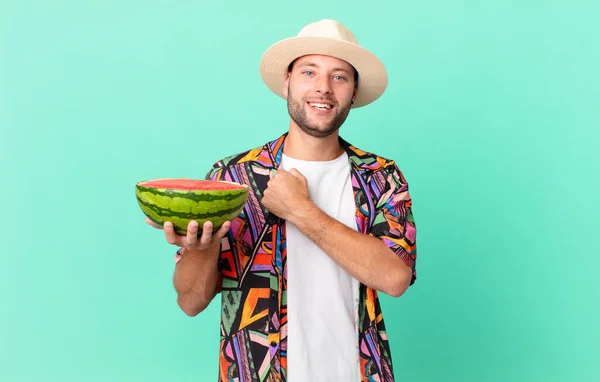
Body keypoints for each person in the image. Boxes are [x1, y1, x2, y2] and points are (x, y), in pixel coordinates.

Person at [147, 19, 417, 381]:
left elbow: (395, 277)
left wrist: (301, 210)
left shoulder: (381, 176)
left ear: (354, 92)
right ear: (287, 81)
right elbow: (190, 301)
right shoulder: (233, 178)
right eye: (309, 72)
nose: (323, 88)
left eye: (339, 77)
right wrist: (203, 248)